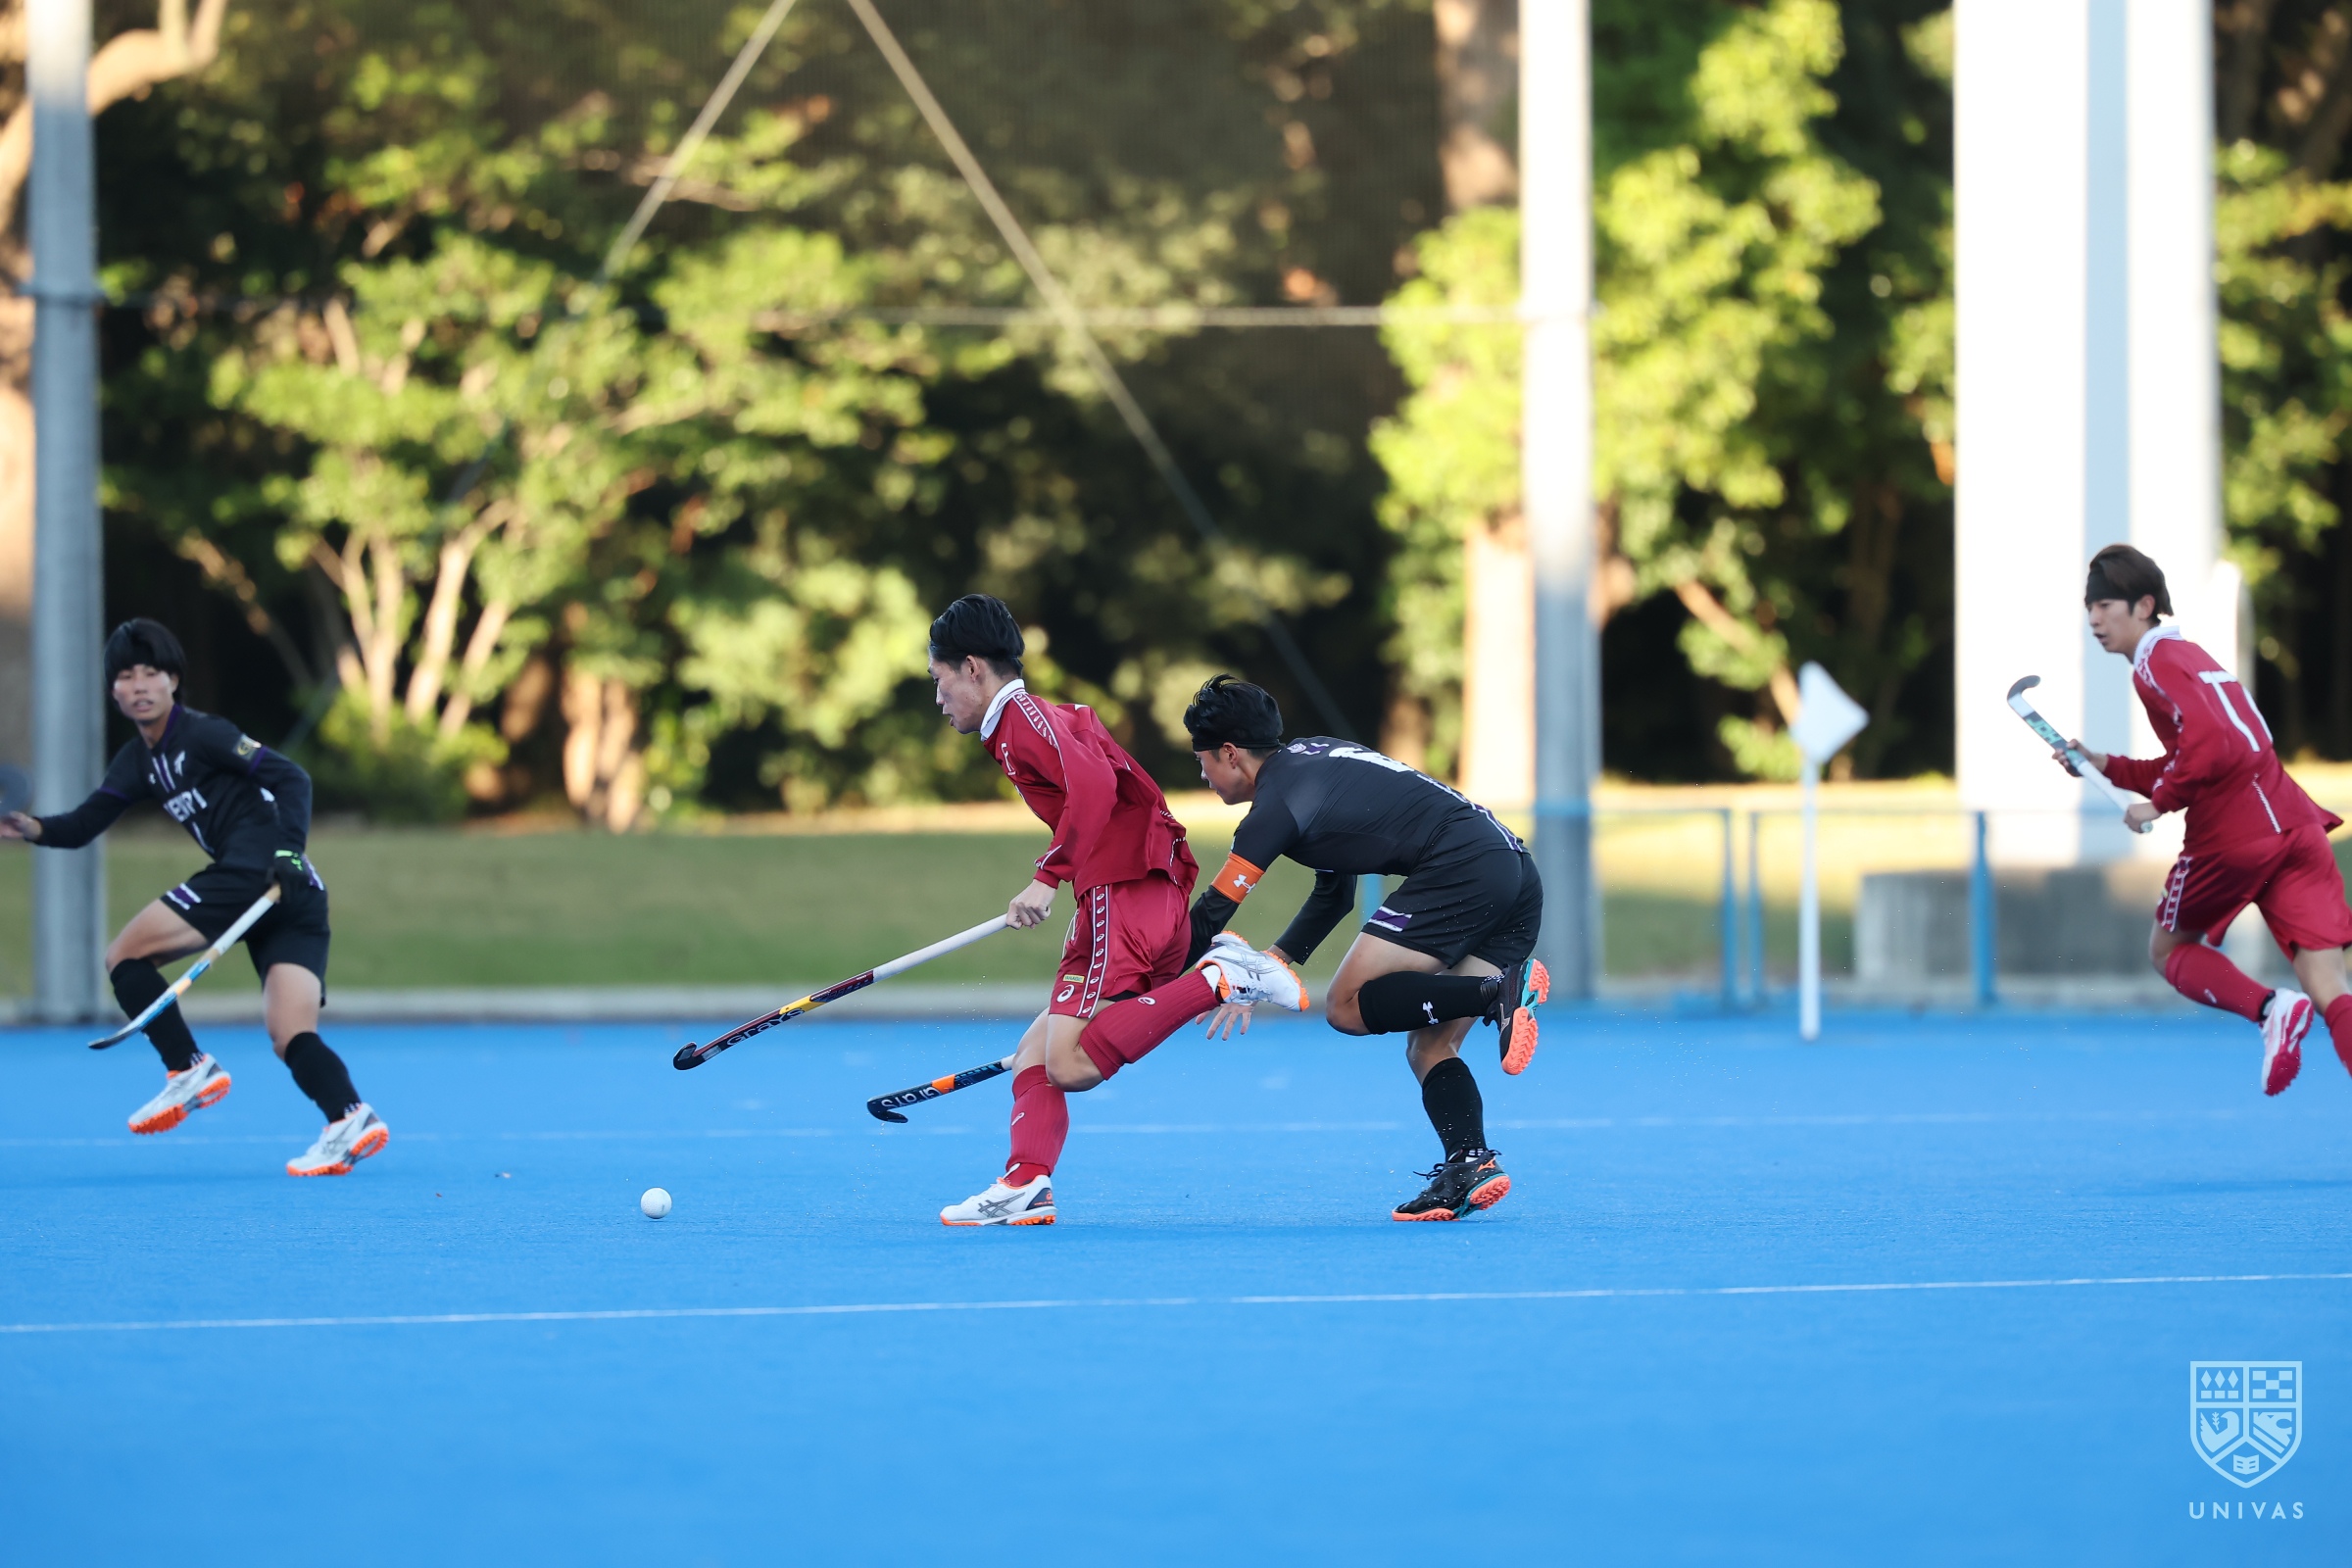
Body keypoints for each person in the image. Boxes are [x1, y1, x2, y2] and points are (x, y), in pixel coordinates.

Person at [925, 597, 1303, 1226]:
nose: (938, 700)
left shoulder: (1023, 718)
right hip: (1125, 889)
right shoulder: (1024, 724)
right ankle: (1025, 1183)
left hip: (1121, 889)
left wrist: (1047, 877)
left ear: (972, 668)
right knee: (1036, 1054)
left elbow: (1098, 788)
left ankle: (1221, 978)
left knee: (1070, 1065)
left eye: (939, 681)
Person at [0, 618, 388, 1175]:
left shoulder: (205, 734)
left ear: (173, 681)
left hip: (262, 874)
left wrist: (287, 852)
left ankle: (188, 1068)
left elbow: (293, 779)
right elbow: (85, 823)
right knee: (290, 1036)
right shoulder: (136, 762)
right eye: (126, 676)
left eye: (150, 672)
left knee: (124, 956)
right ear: (113, 691)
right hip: (289, 893)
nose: (139, 685)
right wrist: (30, 827)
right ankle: (349, 1116)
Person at [1179, 674, 1546, 1221]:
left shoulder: (1273, 810)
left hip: (1463, 867)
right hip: (1514, 871)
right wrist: (1268, 965)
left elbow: (1212, 914)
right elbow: (1335, 896)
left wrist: (1139, 990)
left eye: (1202, 761)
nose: (1203, 776)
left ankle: (1498, 992)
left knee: (1347, 1007)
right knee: (1429, 1045)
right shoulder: (1312, 761)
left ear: (1230, 753)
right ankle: (1470, 1163)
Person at [2059, 543, 2352, 1095]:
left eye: (2106, 605)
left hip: (2234, 836)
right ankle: (2285, 1012)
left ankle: (2269, 1009)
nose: (2095, 619)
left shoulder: (2154, 664)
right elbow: (2191, 754)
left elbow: (2212, 744)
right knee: (2332, 987)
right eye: (2089, 607)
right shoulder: (2189, 655)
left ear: (2144, 606)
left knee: (2168, 950)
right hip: (2295, 825)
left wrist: (2161, 803)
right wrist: (2104, 765)